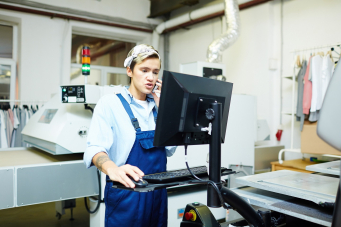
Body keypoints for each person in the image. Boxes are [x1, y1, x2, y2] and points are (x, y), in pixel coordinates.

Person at [83, 44, 176, 227]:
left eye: (155, 72)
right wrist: (112, 169)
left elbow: (170, 149)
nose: (151, 77)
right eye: (144, 70)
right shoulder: (110, 104)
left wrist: (164, 109)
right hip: (127, 194)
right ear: (129, 71)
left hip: (157, 194)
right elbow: (94, 149)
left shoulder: (158, 107)